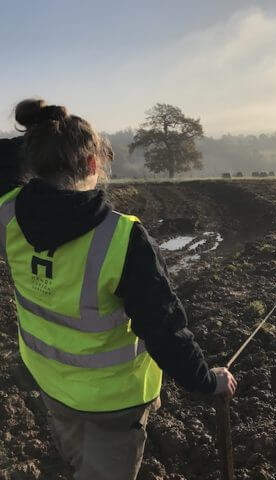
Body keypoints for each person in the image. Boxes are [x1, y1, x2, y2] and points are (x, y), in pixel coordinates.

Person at [0, 99, 237, 480]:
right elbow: (165, 331)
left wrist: (41, 133)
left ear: (35, 160)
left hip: (50, 383)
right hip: (115, 403)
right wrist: (209, 382)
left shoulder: (8, 213)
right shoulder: (123, 238)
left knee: (81, 463)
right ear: (93, 165)